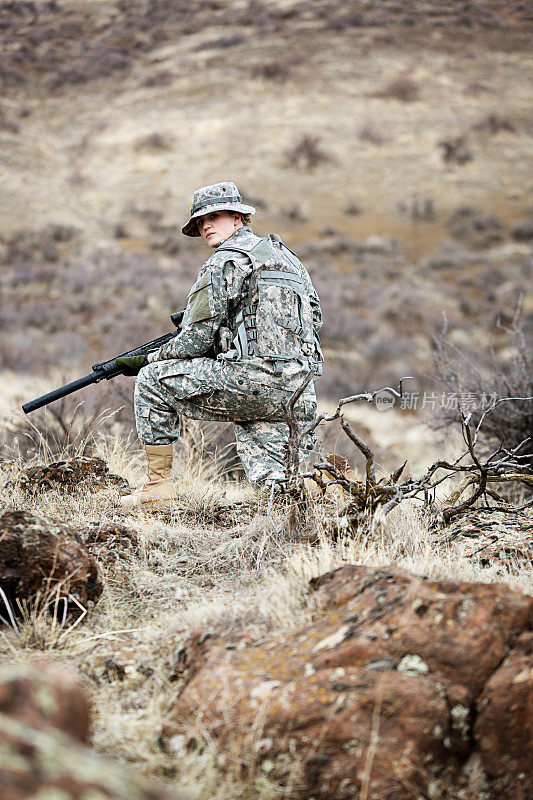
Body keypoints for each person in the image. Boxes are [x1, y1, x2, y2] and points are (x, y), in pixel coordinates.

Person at [118, 181, 323, 509]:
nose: (206, 226)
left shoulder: (226, 260)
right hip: (300, 389)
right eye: (200, 222)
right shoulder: (288, 258)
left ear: (238, 218)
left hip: (253, 381)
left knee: (152, 381)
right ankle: (324, 498)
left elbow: (196, 337)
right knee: (278, 490)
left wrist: (149, 359)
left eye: (214, 216)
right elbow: (315, 317)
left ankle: (157, 489)